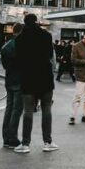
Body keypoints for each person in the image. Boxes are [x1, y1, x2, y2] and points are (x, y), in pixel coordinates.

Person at [16, 13, 57, 153]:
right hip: (45, 77)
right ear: (37, 21)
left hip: (28, 78)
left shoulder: (20, 38)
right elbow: (50, 55)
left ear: (24, 22)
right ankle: (48, 142)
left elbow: (19, 59)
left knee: (28, 110)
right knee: (47, 109)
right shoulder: (46, 35)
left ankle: (25, 144)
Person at [0, 25, 24, 149]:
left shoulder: (6, 46)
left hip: (9, 79)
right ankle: (13, 138)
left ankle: (6, 138)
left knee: (9, 109)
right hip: (20, 81)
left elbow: (5, 65)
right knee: (17, 110)